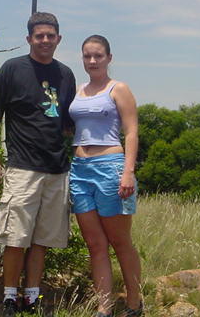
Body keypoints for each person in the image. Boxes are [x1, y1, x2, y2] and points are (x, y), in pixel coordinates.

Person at [0, 12, 76, 317]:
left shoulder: (66, 75)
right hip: (23, 167)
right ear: (29, 39)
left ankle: (32, 297)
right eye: (40, 36)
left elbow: (67, 123)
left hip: (56, 169)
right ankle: (10, 296)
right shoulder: (12, 69)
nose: (46, 40)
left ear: (59, 39)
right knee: (16, 237)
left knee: (42, 240)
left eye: (51, 35)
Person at [69, 35, 143, 317]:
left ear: (109, 58)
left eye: (98, 55)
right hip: (79, 169)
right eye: (87, 56)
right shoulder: (77, 91)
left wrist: (128, 172)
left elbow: (132, 131)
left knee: (119, 240)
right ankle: (104, 307)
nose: (92, 61)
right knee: (95, 244)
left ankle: (135, 302)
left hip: (110, 166)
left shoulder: (118, 88)